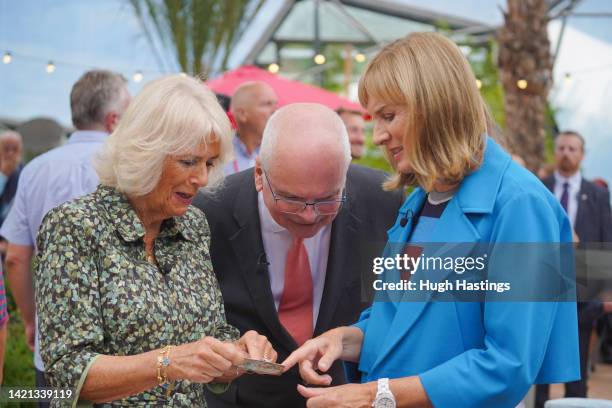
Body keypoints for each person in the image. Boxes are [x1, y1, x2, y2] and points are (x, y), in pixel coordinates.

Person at [283, 32, 580, 408]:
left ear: (435, 105)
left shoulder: (520, 205)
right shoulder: (419, 201)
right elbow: (401, 324)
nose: (378, 136)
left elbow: (507, 364)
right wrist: (342, 340)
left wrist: (377, 395)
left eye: (389, 116)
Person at [34, 75, 277, 407]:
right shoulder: (76, 226)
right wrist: (169, 362)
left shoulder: (192, 225)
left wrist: (236, 353)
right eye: (189, 161)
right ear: (145, 151)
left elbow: (208, 337)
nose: (202, 179)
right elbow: (66, 372)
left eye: (208, 163)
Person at [194, 103, 403, 407]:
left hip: (345, 395)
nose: (309, 216)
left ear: (345, 177)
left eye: (328, 199)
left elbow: (392, 307)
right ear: (259, 175)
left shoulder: (382, 199)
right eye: (290, 199)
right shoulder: (211, 210)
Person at [0, 69, 131, 402]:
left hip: (54, 343)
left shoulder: (35, 170)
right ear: (114, 120)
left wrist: (31, 320)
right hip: (126, 354)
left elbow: (15, 257)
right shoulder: (132, 169)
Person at [537, 130, 612, 406]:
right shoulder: (539, 187)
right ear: (555, 152)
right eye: (561, 148)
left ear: (582, 154)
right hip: (543, 288)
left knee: (576, 368)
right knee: (539, 366)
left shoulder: (598, 195)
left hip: (582, 294)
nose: (566, 153)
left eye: (572, 149)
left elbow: (606, 240)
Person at [225, 81, 278, 175]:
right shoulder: (218, 154)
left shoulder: (280, 154)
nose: (275, 110)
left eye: (275, 104)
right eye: (267, 104)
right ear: (242, 114)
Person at [0, 130, 24, 226]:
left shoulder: (25, 172)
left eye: (14, 149)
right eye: (6, 148)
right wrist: (3, 175)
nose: (10, 153)